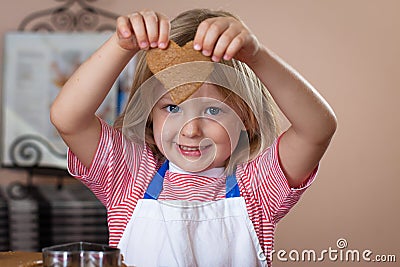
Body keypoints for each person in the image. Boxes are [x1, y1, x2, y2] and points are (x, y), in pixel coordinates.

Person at [50, 8, 337, 267]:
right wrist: (121, 46)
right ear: (151, 114)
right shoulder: (130, 177)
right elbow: (68, 119)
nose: (190, 130)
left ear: (246, 120)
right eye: (172, 108)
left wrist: (256, 56)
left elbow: (317, 129)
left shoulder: (257, 189)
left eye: (213, 110)